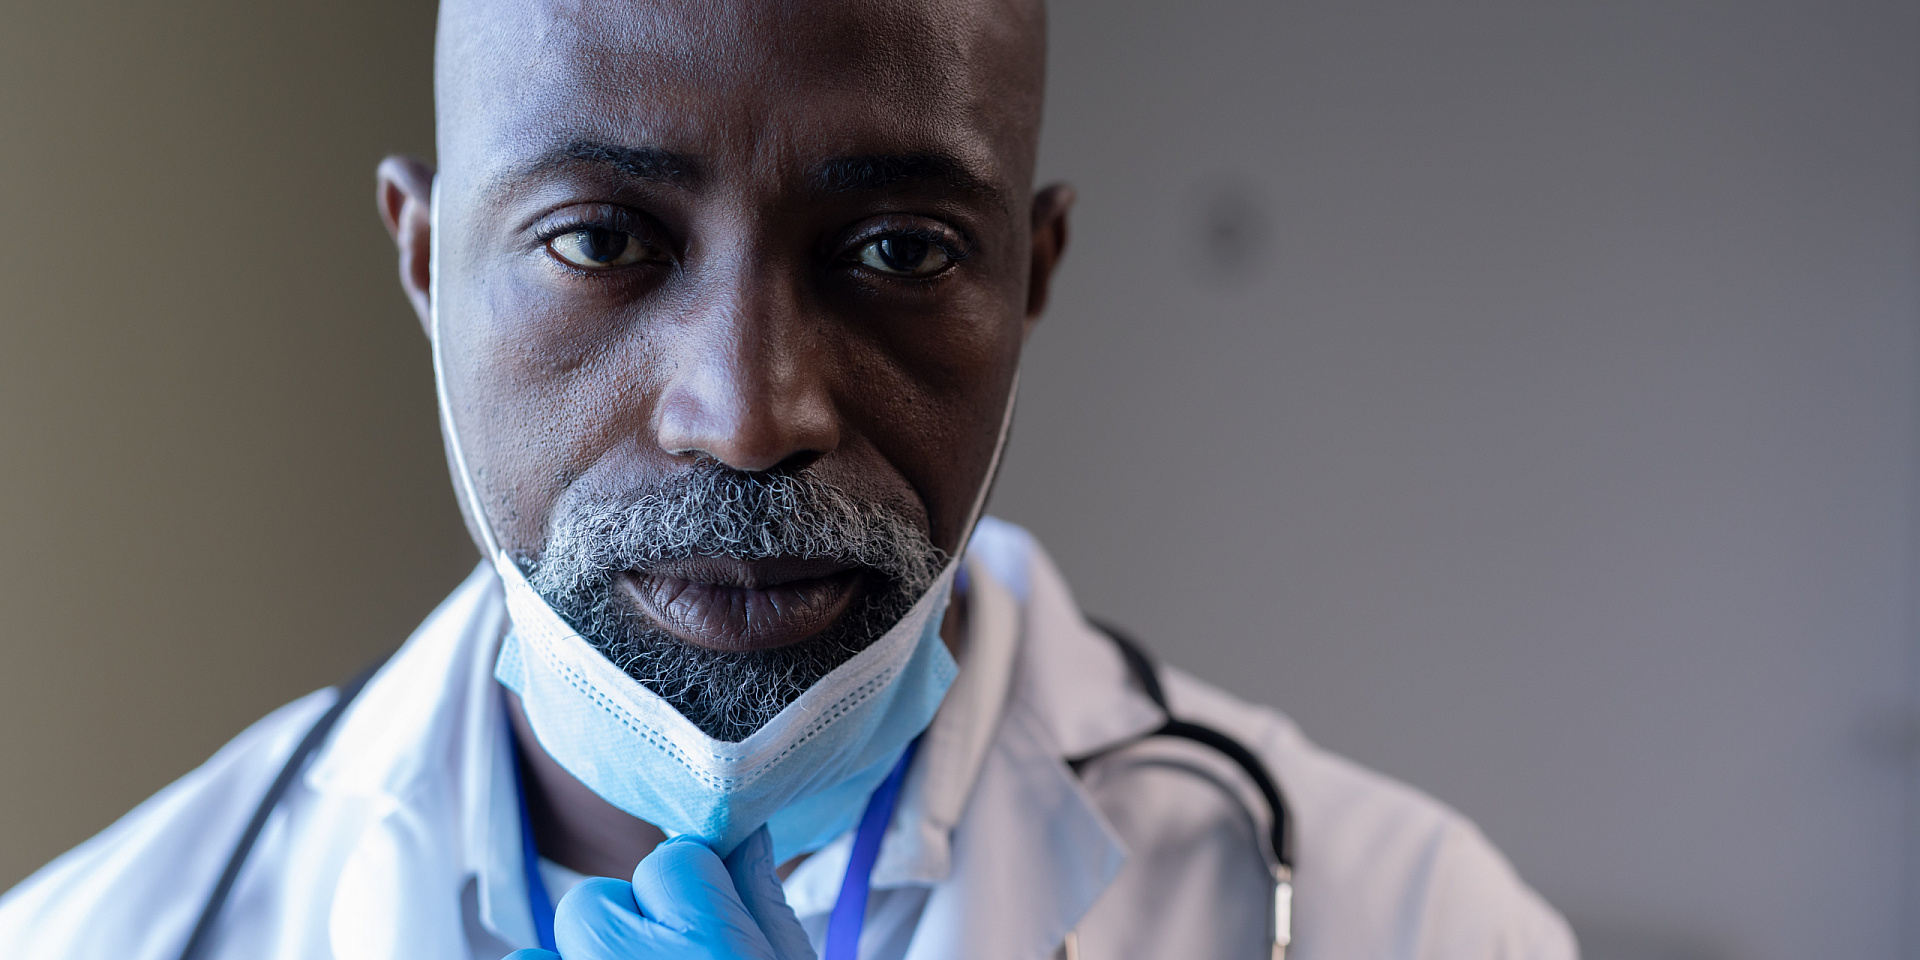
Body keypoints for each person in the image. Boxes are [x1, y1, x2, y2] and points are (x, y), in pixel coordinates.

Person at [0, 0, 1577, 957]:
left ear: (1030, 276)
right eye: (604, 240)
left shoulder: (1419, 926)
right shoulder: (100, 938)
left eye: (896, 249)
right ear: (425, 262)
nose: (748, 414)